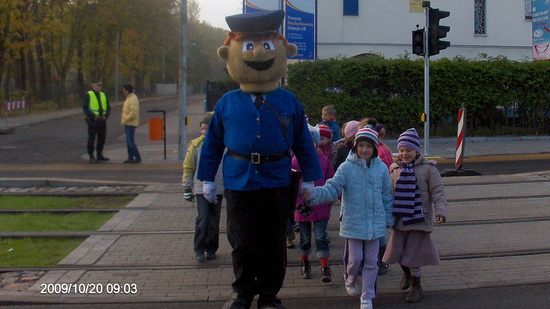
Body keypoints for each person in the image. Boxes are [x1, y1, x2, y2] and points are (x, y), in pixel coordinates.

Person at [197, 10, 322, 309]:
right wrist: (205, 179)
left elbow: (303, 142)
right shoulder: (227, 102)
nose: (256, 54)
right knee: (241, 243)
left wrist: (310, 178)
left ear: (282, 51)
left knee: (273, 242)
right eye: (247, 46)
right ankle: (242, 293)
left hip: (276, 180)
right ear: (230, 54)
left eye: (266, 46)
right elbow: (212, 143)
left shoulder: (288, 100)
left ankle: (268, 295)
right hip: (239, 181)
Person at [304, 126, 394, 309]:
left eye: (369, 146)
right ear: (355, 147)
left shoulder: (381, 169)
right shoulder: (346, 167)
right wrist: (313, 195)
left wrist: (389, 218)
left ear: (375, 148)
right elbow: (333, 187)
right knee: (355, 260)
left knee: (371, 262)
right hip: (354, 222)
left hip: (375, 224)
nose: (365, 150)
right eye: (361, 145)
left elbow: (387, 194)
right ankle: (350, 278)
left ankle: (367, 296)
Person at [382, 128, 448, 303]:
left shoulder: (429, 170)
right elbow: (388, 193)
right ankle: (407, 273)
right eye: (401, 150)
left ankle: (416, 284)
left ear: (416, 151)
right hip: (400, 218)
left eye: (408, 150)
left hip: (419, 217)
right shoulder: (394, 168)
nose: (404, 154)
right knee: (396, 253)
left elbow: (438, 192)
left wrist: (441, 211)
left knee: (413, 255)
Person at [292, 125, 335, 283]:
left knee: (320, 237)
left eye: (313, 142)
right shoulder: (295, 161)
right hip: (302, 208)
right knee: (304, 239)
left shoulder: (323, 160)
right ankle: (304, 262)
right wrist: (298, 203)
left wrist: (333, 197)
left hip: (320, 206)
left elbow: (331, 180)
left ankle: (325, 266)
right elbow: (293, 184)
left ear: (317, 144)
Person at [182, 113, 224, 263]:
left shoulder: (223, 145)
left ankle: (212, 248)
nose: (204, 132)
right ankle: (199, 248)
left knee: (214, 220)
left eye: (207, 129)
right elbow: (189, 167)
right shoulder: (196, 146)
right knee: (203, 217)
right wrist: (187, 188)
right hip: (200, 187)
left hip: (218, 187)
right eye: (202, 129)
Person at [83, 81, 110, 163]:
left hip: (102, 120)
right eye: (98, 86)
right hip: (93, 120)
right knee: (92, 138)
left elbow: (108, 107)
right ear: (93, 86)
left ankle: (99, 154)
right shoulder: (89, 95)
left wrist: (106, 116)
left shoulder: (103, 95)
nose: (99, 87)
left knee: (102, 138)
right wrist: (92, 116)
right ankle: (91, 156)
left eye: (100, 86)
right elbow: (85, 108)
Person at [121, 84, 141, 164]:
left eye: (124, 90)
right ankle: (130, 157)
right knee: (128, 141)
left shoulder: (133, 99)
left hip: (131, 123)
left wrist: (125, 119)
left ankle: (137, 157)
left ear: (127, 90)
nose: (123, 91)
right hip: (127, 122)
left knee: (130, 140)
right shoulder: (129, 98)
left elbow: (133, 113)